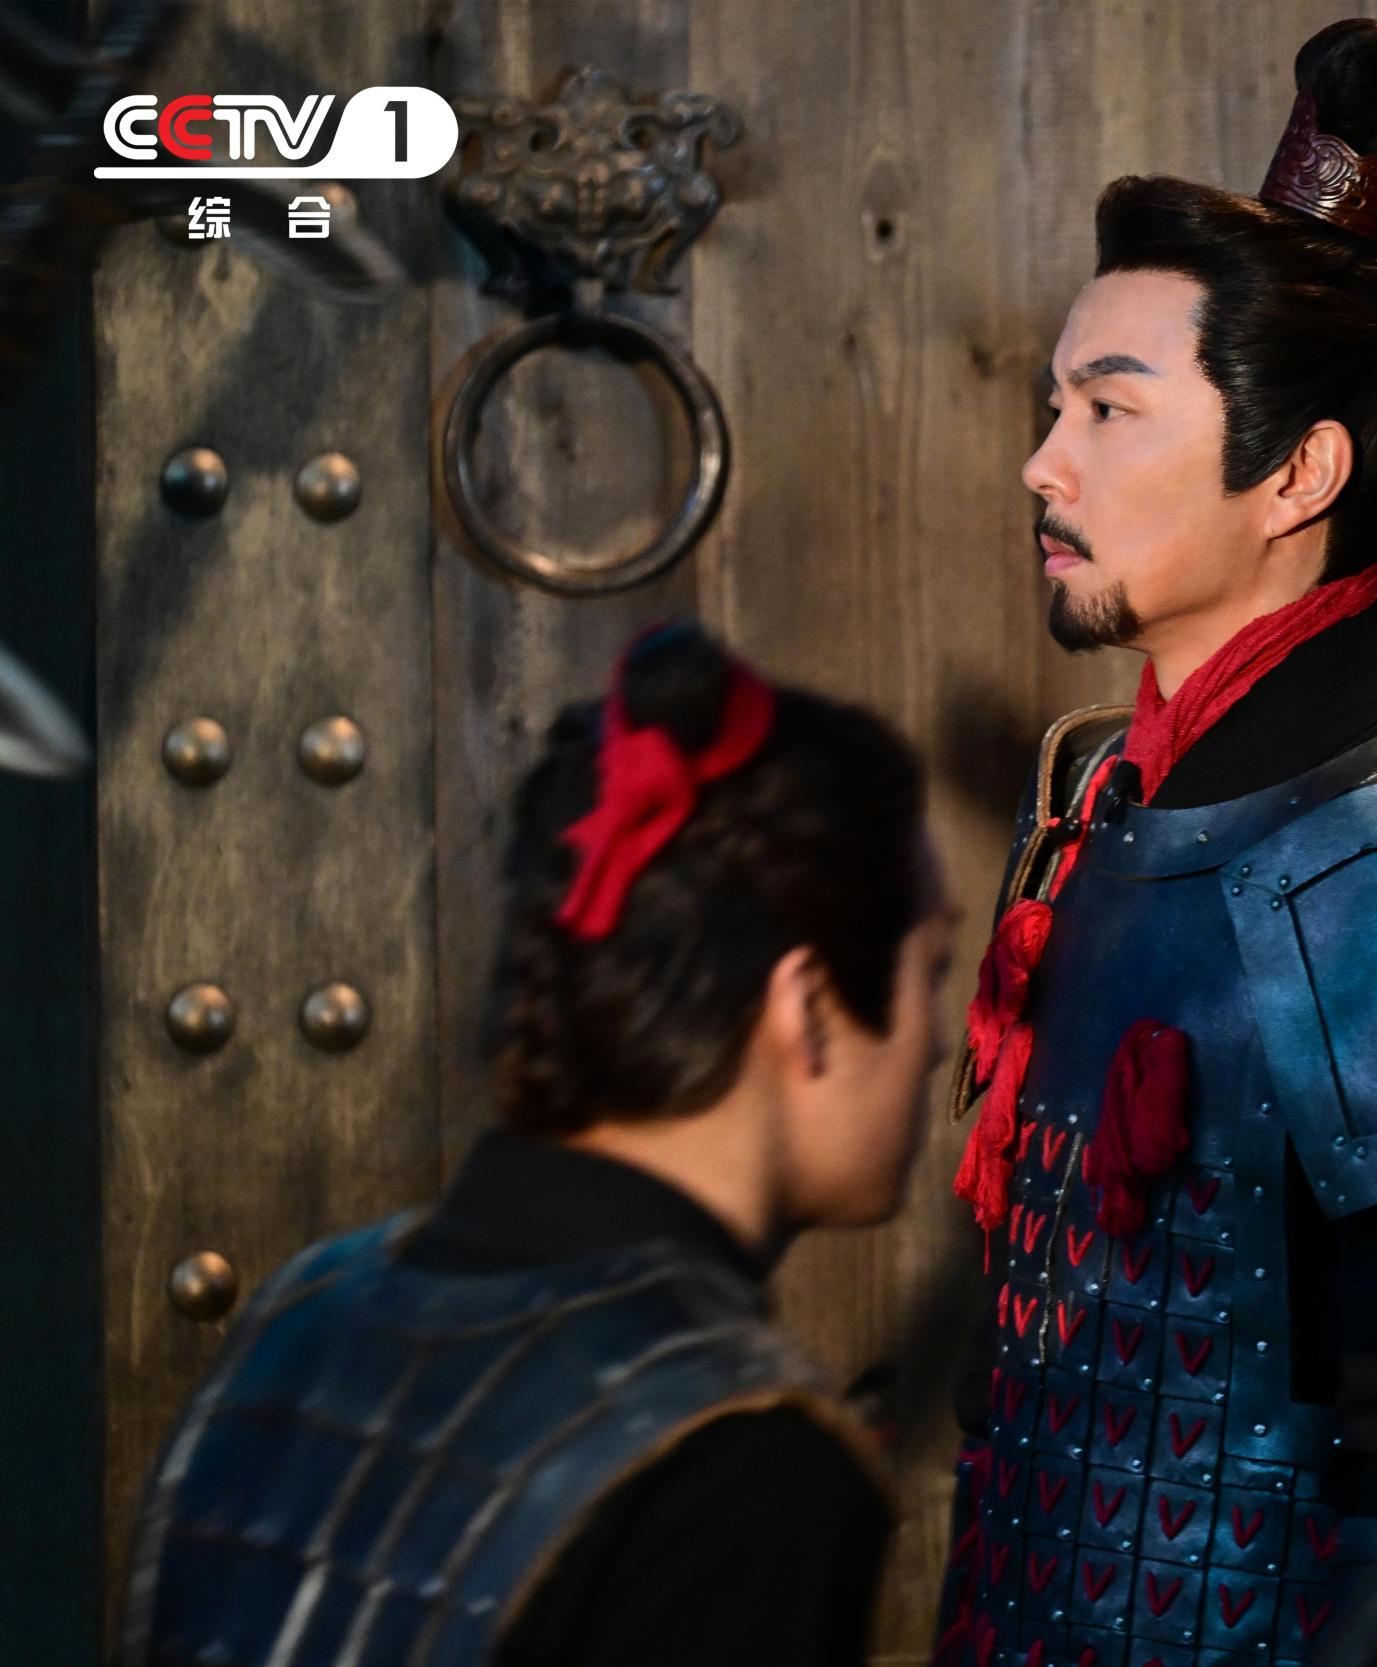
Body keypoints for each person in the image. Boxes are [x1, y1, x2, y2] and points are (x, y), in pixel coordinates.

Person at [932, 20, 1377, 1667]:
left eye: (1109, 411)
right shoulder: (1097, 803)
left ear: (1300, 471)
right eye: (1056, 405)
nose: (1044, 463)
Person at [120, 621, 956, 1667]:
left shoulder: (298, 1313)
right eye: (933, 971)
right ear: (806, 1007)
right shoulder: (740, 1462)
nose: (940, 1040)